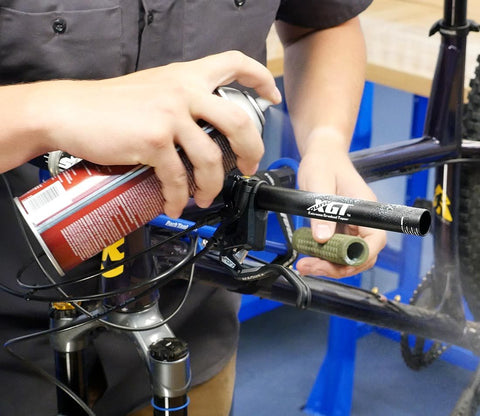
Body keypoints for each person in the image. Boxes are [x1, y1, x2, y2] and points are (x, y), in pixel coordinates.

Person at [0, 1, 386, 415]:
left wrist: (326, 140)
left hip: (190, 310)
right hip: (16, 325)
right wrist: (48, 112)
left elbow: (320, 23)